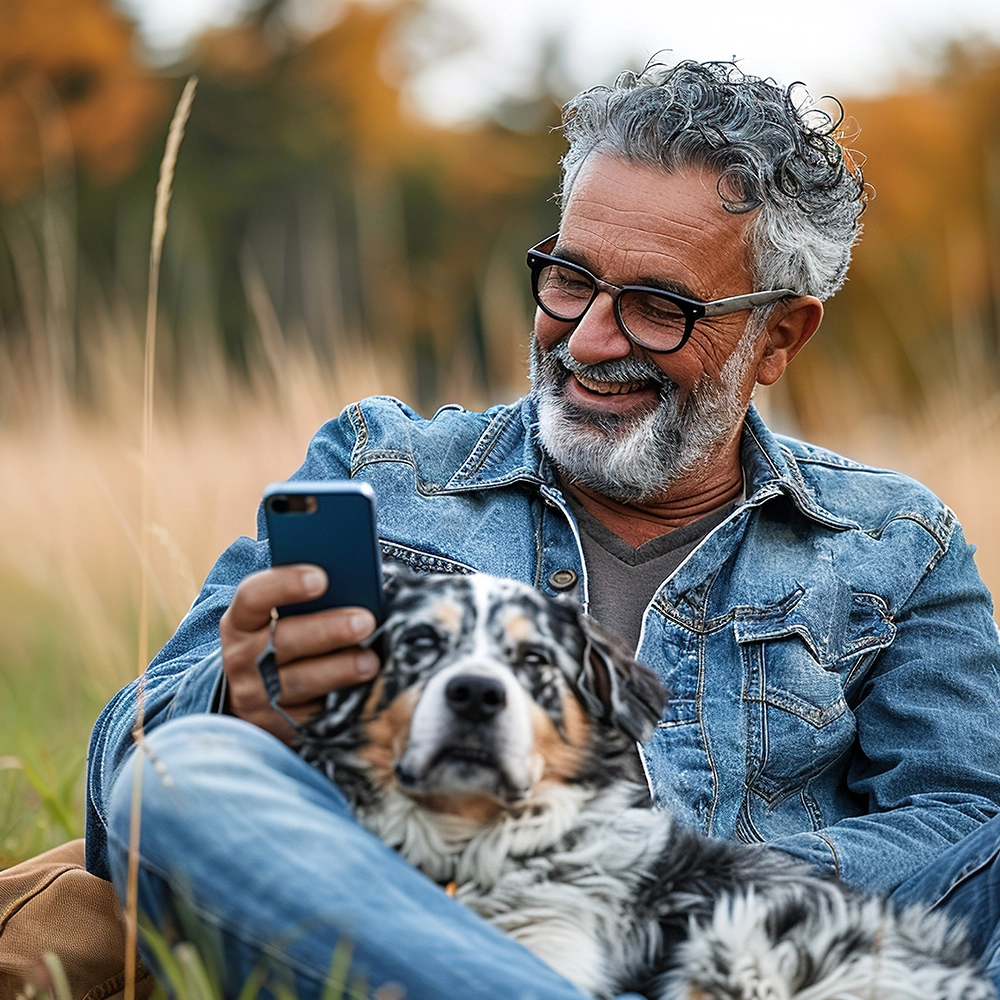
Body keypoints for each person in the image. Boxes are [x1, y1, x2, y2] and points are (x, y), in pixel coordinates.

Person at [86, 60, 1000, 999]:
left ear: (780, 338)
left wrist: (675, 903)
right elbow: (123, 775)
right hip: (431, 923)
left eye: (658, 308)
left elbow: (970, 813)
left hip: (766, 964)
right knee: (182, 771)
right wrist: (237, 700)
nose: (590, 340)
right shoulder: (381, 468)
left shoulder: (896, 541)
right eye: (569, 280)